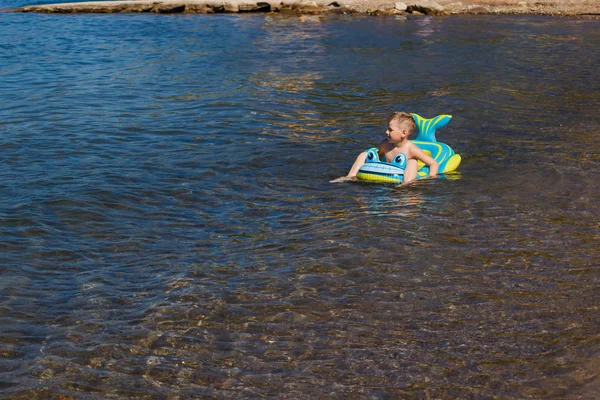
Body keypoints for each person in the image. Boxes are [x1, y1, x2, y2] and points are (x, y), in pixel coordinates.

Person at [330, 112, 439, 184]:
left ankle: (407, 185)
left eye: (390, 130)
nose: (386, 132)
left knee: (412, 161)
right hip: (387, 173)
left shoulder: (411, 149)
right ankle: (350, 176)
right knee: (364, 154)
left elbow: (433, 163)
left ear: (403, 133)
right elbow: (377, 156)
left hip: (403, 175)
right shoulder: (385, 144)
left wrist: (430, 178)